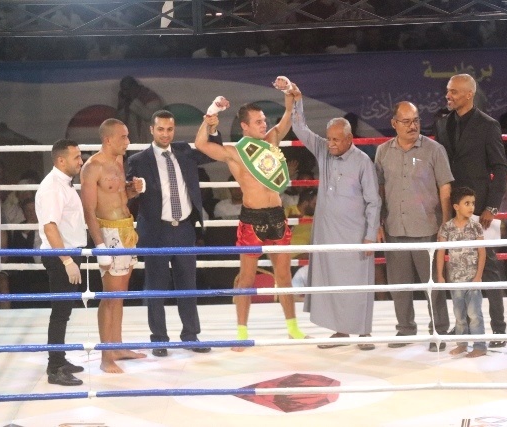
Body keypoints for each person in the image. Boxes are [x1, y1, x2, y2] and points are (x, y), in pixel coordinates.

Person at [194, 86, 308, 351]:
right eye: (257, 121)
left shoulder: (271, 141)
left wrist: (289, 91)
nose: (263, 124)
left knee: (284, 276)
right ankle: (241, 333)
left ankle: (293, 329)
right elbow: (201, 144)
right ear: (244, 126)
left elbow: (287, 116)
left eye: (264, 120)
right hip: (252, 219)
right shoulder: (235, 153)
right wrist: (210, 114)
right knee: (246, 278)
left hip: (276, 215)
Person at [289, 82, 381, 351]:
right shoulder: (323, 151)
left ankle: (364, 333)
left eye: (336, 140)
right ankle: (341, 331)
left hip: (356, 234)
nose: (330, 143)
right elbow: (300, 129)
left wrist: (370, 235)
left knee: (358, 283)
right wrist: (297, 100)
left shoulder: (362, 161)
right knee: (334, 283)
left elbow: (373, 201)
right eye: (328, 138)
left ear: (349, 139)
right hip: (327, 233)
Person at [127, 109, 219, 357]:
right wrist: (133, 189)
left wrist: (212, 128)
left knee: (188, 284)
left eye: (169, 129)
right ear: (152, 130)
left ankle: (191, 335)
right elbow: (127, 193)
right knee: (155, 287)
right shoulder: (138, 160)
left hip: (185, 228)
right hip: (156, 230)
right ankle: (158, 339)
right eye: (160, 129)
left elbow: (212, 152)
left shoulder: (184, 151)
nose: (165, 134)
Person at [434, 73, 507, 348]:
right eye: (448, 91)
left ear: (469, 94)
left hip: (479, 208)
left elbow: (500, 168)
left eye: (453, 91)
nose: (448, 95)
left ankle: (498, 329)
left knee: (489, 268)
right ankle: (462, 325)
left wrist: (491, 207)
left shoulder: (488, 125)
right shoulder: (443, 124)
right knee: (458, 268)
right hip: (452, 208)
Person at [375, 101, 453, 352]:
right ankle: (405, 329)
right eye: (406, 121)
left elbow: (445, 189)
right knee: (399, 285)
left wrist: (446, 225)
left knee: (433, 286)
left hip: (427, 228)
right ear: (394, 124)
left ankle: (439, 331)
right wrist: (378, 222)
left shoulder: (434, 149)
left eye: (416, 120)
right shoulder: (382, 152)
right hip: (394, 228)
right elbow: (379, 190)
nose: (412, 126)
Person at [80, 118, 146, 373]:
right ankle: (106, 357)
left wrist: (133, 190)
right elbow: (89, 210)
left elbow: (120, 197)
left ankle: (116, 347)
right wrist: (100, 246)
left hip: (127, 228)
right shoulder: (92, 167)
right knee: (109, 297)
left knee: (120, 294)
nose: (128, 142)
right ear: (108, 139)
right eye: (123, 137)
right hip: (108, 234)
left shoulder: (119, 161)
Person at [35, 139, 87, 386]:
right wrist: (66, 260)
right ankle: (55, 368)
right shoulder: (52, 187)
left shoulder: (64, 184)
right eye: (76, 157)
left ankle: (60, 359)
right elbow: (50, 227)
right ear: (61, 160)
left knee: (64, 312)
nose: (81, 161)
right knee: (59, 312)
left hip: (67, 254)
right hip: (60, 256)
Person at [437, 187, 487, 358]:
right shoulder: (447, 227)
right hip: (455, 278)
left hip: (472, 277)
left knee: (474, 313)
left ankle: (480, 346)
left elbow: (482, 252)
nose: (471, 207)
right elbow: (440, 252)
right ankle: (462, 344)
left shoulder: (476, 226)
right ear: (456, 206)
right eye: (467, 203)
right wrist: (440, 275)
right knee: (459, 314)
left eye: (473, 203)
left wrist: (478, 276)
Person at [117, 76, 164, 144]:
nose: (124, 93)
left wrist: (134, 101)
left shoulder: (151, 97)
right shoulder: (127, 101)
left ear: (134, 87)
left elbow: (148, 116)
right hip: (134, 142)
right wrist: (121, 105)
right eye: (123, 91)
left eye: (126, 90)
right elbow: (120, 121)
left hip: (149, 140)